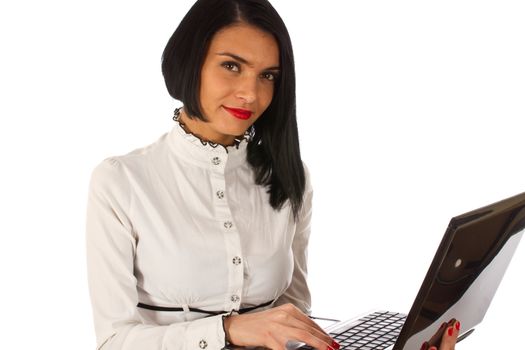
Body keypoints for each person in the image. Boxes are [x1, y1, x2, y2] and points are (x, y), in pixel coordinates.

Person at [85, 1, 460, 349]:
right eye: (231, 66)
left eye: (268, 75)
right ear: (188, 61)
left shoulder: (289, 177)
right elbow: (115, 340)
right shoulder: (121, 182)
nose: (251, 93)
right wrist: (227, 330)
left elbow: (294, 311)